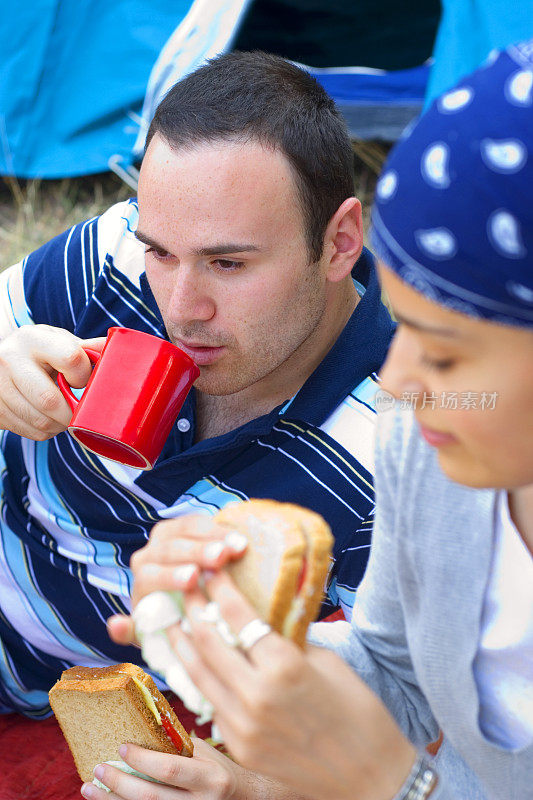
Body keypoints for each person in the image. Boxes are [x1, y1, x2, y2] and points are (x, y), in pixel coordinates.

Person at [108, 40, 533, 800]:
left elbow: (400, 772)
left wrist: (390, 785)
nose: (395, 389)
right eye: (401, 327)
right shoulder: (431, 446)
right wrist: (243, 633)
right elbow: (394, 670)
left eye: (444, 355)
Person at [0, 51, 393, 796]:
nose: (181, 307)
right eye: (162, 252)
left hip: (99, 707)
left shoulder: (399, 456)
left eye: (228, 263)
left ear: (340, 241)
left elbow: (398, 728)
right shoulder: (114, 255)